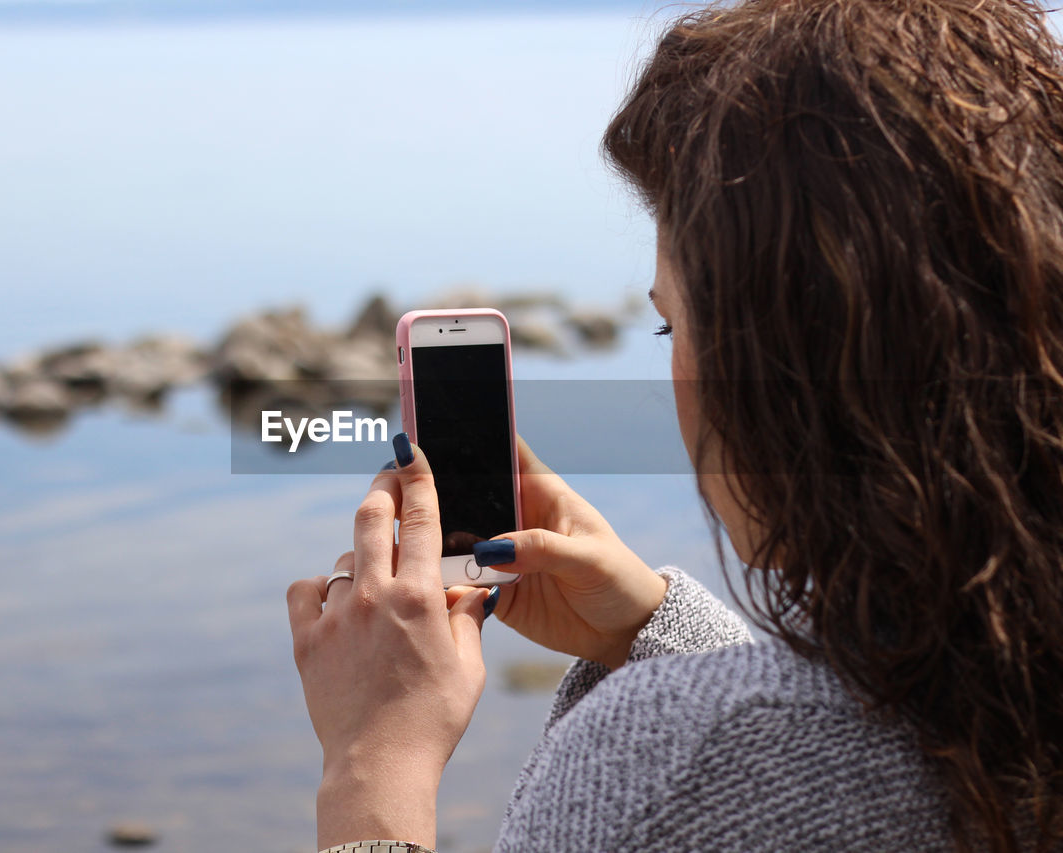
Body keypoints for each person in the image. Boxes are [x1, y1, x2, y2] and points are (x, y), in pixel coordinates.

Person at [286, 0, 1063, 850]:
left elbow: (771, 764)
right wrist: (653, 632)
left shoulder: (668, 763)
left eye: (672, 326)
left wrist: (371, 763)